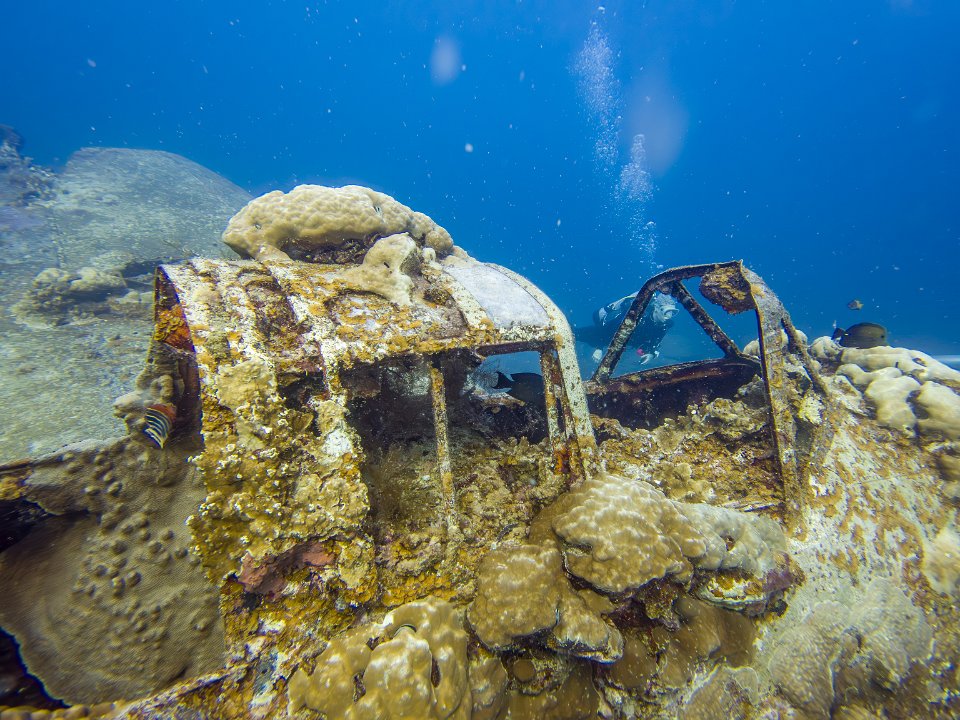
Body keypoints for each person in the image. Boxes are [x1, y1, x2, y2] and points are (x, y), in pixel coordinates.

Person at [576, 290, 679, 364]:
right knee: (575, 334)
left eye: (673, 313)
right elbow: (608, 330)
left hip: (624, 343)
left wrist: (651, 354)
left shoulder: (664, 325)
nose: (669, 317)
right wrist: (599, 347)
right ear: (656, 309)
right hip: (604, 334)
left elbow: (655, 343)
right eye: (666, 312)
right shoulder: (637, 315)